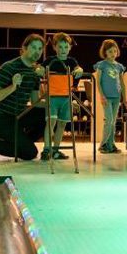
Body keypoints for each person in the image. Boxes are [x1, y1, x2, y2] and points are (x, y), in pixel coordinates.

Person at [0, 34, 47, 161]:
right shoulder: (10, 67)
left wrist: (59, 104)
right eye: (34, 47)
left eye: (40, 49)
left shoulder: (35, 72)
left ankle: (21, 142)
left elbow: (35, 101)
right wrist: (13, 87)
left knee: (47, 113)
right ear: (24, 48)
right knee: (30, 153)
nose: (37, 51)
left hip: (17, 117)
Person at [42, 32, 85, 161]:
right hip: (52, 98)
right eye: (60, 47)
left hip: (66, 98)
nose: (63, 50)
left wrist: (80, 70)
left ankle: (55, 150)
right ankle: (46, 150)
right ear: (54, 47)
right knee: (50, 123)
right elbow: (39, 68)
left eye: (66, 47)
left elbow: (78, 68)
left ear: (70, 47)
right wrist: (39, 70)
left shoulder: (72, 61)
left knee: (61, 125)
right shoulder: (50, 60)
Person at [94, 39, 126, 154]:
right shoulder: (102, 65)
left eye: (114, 51)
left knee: (113, 121)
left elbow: (122, 83)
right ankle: (103, 145)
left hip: (116, 97)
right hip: (106, 97)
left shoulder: (119, 67)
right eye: (110, 51)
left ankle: (111, 145)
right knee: (109, 120)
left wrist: (125, 97)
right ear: (105, 52)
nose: (113, 53)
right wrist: (101, 95)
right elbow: (98, 82)